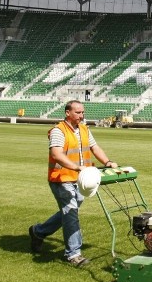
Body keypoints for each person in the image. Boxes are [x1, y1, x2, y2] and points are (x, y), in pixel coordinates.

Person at [29, 100, 118, 267]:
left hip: (81, 180)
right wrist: (78, 167)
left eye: (83, 112)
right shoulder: (58, 131)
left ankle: (38, 231)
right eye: (78, 113)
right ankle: (73, 254)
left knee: (68, 211)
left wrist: (107, 162)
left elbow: (94, 147)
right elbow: (56, 154)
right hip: (61, 179)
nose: (81, 116)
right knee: (71, 213)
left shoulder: (84, 129)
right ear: (67, 113)